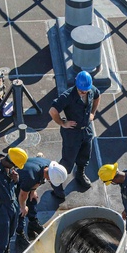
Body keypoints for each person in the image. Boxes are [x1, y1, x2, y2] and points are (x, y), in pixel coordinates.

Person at [49, 70, 100, 198]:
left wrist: (93, 113)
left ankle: (80, 174)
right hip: (72, 133)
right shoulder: (67, 96)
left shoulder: (90, 90)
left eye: (85, 90)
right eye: (81, 90)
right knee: (68, 160)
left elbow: (97, 96)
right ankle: (57, 184)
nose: (84, 92)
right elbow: (53, 111)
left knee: (85, 154)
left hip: (86, 130)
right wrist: (62, 123)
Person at [14, 150, 67, 250]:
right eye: (50, 179)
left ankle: (33, 223)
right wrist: (23, 207)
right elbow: (22, 195)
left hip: (29, 184)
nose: (50, 181)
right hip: (18, 185)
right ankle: (19, 234)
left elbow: (40, 180)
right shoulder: (31, 176)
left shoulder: (47, 166)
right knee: (20, 212)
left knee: (32, 201)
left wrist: (33, 190)